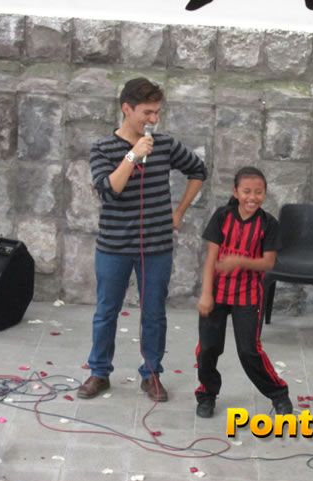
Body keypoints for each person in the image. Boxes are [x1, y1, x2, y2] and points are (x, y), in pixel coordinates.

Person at [78, 77, 207, 402]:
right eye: (147, 113)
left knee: (154, 313)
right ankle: (99, 372)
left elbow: (198, 170)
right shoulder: (102, 148)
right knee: (106, 312)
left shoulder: (164, 144)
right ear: (127, 108)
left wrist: (179, 212)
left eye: (157, 112)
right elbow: (109, 190)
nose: (153, 119)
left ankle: (151, 374)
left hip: (157, 246)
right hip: (114, 246)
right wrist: (132, 156)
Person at [194, 166, 293, 418]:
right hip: (217, 292)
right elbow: (211, 258)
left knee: (249, 351)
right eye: (247, 191)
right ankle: (207, 395)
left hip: (248, 294)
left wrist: (239, 261)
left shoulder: (268, 224)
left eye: (258, 192)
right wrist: (206, 293)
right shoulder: (222, 216)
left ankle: (279, 395)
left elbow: (268, 263)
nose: (252, 197)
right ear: (235, 192)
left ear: (265, 194)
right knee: (207, 348)